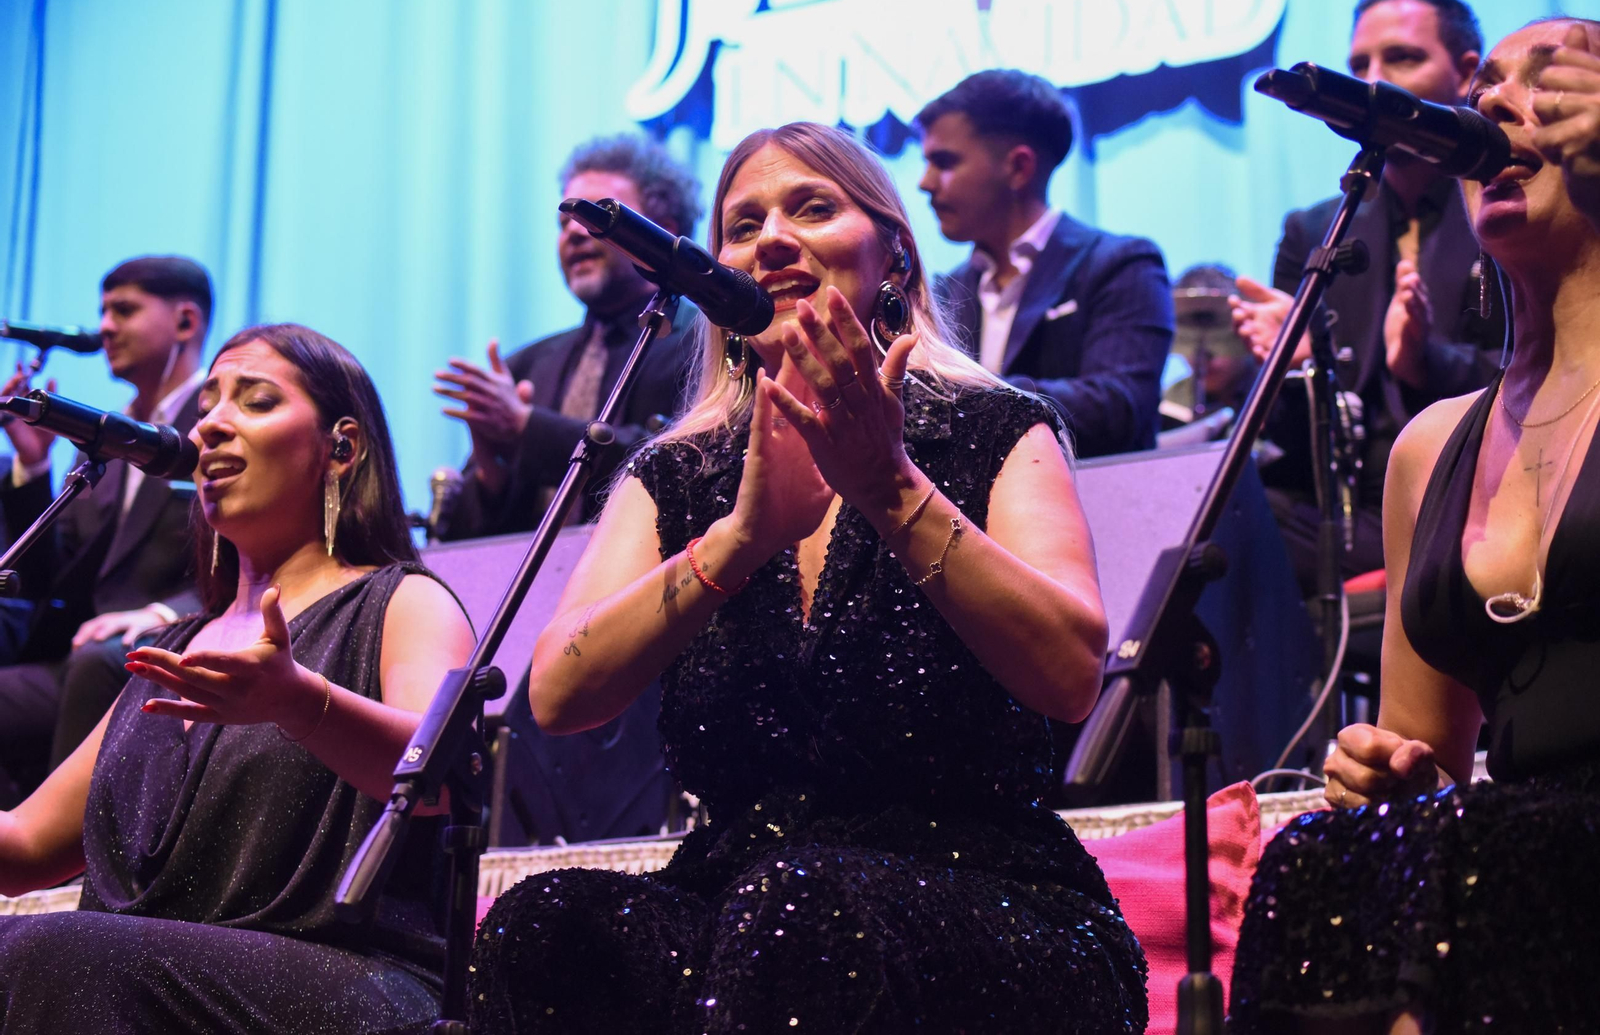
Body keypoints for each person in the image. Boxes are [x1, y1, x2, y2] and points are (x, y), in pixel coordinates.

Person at [469, 122, 1147, 1034]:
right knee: (544, 927)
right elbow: (558, 693)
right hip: (740, 897)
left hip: (989, 899)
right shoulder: (679, 472)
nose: (772, 239)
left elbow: (1070, 677)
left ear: (895, 256)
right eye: (743, 225)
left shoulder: (997, 428)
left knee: (800, 910)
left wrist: (888, 487)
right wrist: (741, 539)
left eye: (813, 207)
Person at [1230, 18, 1600, 1032]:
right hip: (1523, 859)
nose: (1491, 106)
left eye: (1550, 82)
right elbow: (1426, 757)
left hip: (1545, 859)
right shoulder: (1429, 449)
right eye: (1486, 90)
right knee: (1316, 862)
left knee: (1498, 860)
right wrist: (1380, 770)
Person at [0, 323, 476, 1033]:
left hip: (349, 985)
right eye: (206, 409)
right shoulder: (173, 646)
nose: (212, 424)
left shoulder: (403, 601)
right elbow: (28, 847)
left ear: (341, 448)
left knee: (55, 951)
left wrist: (299, 702)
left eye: (254, 402)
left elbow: (442, 778)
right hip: (129, 973)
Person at [1231, 0, 1508, 590]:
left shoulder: (1508, 207)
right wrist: (1304, 371)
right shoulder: (1313, 229)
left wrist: (1424, 362)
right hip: (1352, 511)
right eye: (1360, 64)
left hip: (1477, 496)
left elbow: (1548, 382)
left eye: (1402, 58)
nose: (1372, 81)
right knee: (1219, 514)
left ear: (1468, 72)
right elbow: (1293, 449)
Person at [0, 256, 211, 807]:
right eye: (102, 312)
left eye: (124, 310)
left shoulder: (216, 422)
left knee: (101, 662)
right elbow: (50, 576)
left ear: (185, 322)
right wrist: (34, 471)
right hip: (78, 655)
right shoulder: (108, 434)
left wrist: (164, 614)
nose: (105, 328)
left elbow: (246, 554)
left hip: (163, 644)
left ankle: (55, 870)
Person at [432, 135, 702, 538]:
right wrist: (491, 473)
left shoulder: (704, 344)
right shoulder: (526, 366)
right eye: (563, 224)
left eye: (594, 218)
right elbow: (464, 542)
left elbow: (678, 467)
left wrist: (528, 429)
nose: (573, 234)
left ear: (661, 232)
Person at [916, 69, 1174, 457]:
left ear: (1019, 167)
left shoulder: (1122, 264)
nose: (925, 182)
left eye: (945, 162)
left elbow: (1120, 409)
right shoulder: (945, 290)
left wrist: (965, 393)